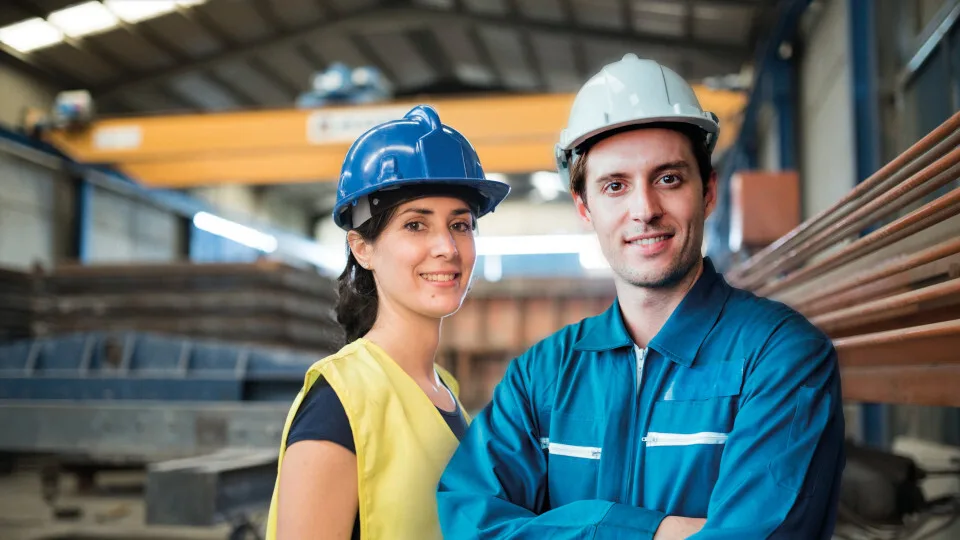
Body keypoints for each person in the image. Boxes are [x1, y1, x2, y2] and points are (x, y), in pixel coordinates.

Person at [436, 54, 846, 539]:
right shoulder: (542, 376)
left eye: (668, 179)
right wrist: (633, 529)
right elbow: (469, 521)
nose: (645, 209)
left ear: (708, 192)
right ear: (584, 208)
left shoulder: (782, 358)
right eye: (615, 186)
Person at [265, 105, 510, 539]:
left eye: (460, 224)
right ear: (362, 249)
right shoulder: (340, 402)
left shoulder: (445, 393)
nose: (447, 247)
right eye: (415, 225)